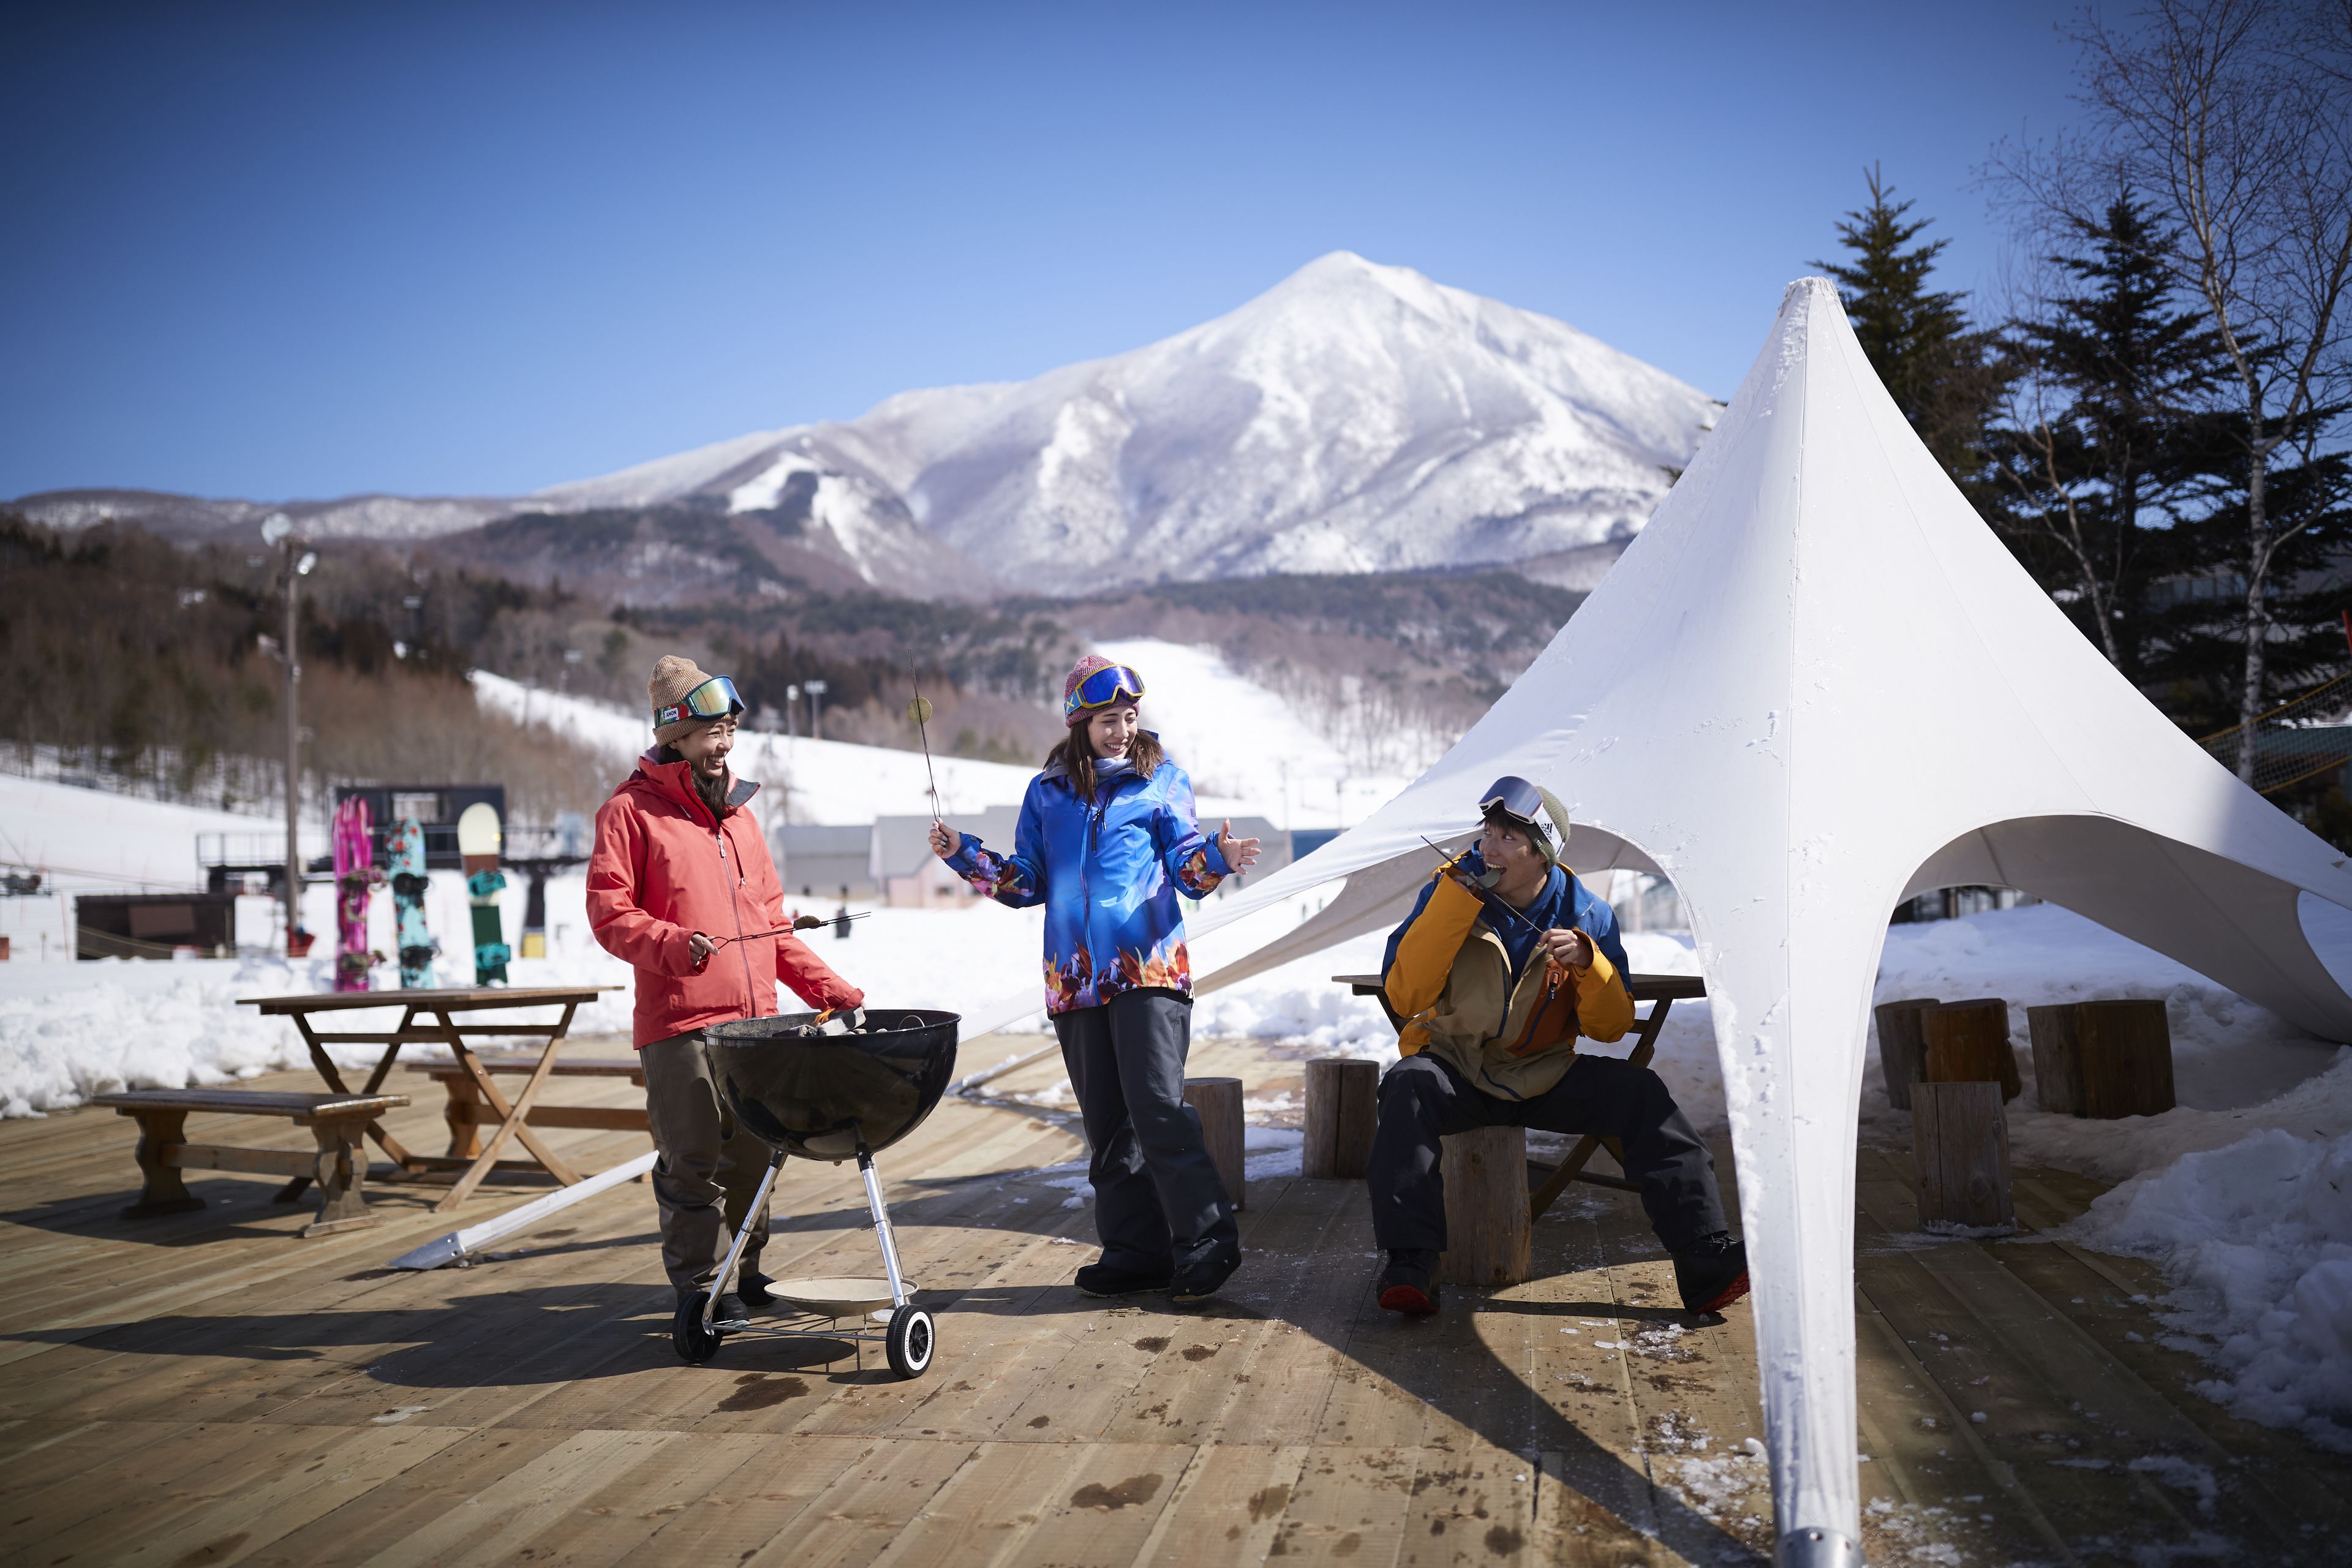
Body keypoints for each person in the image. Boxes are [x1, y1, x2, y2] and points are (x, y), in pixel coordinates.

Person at [930, 654, 1261, 1303]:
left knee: (1157, 1107)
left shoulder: (1161, 782)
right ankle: (1137, 1252)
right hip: (1073, 980)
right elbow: (1026, 881)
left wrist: (1217, 860)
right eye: (1109, 718)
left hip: (1147, 970)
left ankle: (1208, 1238)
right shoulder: (1046, 793)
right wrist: (965, 854)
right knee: (1109, 1125)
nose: (1123, 730)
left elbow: (1188, 867)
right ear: (1079, 722)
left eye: (1131, 717)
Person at [1368, 775, 1747, 1316]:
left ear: (1541, 854)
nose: (1487, 849)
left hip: (1541, 1073)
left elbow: (1611, 1027)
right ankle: (1412, 1265)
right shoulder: (1447, 892)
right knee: (1405, 1086)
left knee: (1639, 1092)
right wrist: (1454, 906)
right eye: (1487, 834)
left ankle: (1704, 1259)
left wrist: (1590, 965)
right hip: (1457, 1068)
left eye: (1507, 840)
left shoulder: (1587, 913)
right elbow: (1406, 994)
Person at [589, 655, 865, 1324]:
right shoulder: (629, 813)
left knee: (755, 1156)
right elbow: (610, 914)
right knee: (692, 1163)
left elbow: (771, 928)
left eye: (731, 730)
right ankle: (699, 1289)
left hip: (756, 1027)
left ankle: (745, 1274)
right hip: (680, 1024)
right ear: (675, 733)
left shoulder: (741, 818)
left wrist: (835, 990)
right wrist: (672, 945)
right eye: (713, 730)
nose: (726, 743)